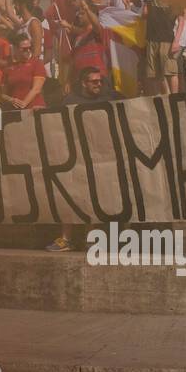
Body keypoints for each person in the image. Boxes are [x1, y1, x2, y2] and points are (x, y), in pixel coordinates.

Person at [45, 67, 116, 254]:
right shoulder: (70, 101)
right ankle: (66, 239)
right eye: (94, 81)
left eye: (100, 81)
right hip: (74, 158)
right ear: (84, 83)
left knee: (95, 197)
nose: (99, 84)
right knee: (69, 197)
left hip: (100, 158)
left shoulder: (109, 98)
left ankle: (90, 238)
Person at [2, 34, 47, 109]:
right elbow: (3, 93)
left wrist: (24, 103)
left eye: (30, 48)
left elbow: (36, 88)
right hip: (14, 109)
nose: (28, 51)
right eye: (24, 49)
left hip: (34, 107)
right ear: (15, 48)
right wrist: (11, 100)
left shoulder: (36, 63)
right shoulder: (9, 67)